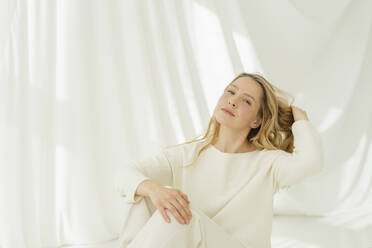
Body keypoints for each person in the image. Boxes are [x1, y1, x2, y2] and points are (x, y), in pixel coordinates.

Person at [114, 72, 324, 248]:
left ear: (257, 120)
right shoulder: (189, 154)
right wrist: (154, 189)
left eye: (246, 100)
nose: (233, 100)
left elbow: (311, 162)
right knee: (140, 195)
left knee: (177, 216)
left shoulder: (268, 163)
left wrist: (301, 120)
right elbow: (124, 174)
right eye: (231, 92)